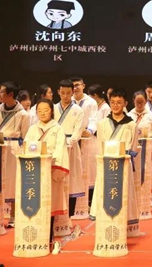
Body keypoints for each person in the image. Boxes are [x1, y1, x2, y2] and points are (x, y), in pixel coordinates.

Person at [90, 88, 141, 236]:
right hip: (106, 165)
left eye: (119, 103)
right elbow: (100, 146)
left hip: (123, 165)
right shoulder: (102, 123)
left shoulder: (131, 124)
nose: (115, 105)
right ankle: (105, 224)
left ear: (125, 104)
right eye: (113, 102)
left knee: (123, 195)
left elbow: (133, 147)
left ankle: (123, 227)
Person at [23, 98, 69, 255]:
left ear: (52, 111)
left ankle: (48, 238)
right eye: (39, 111)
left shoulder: (57, 129)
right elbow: (26, 147)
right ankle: (33, 237)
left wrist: (51, 165)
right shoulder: (32, 129)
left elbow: (60, 150)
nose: (42, 113)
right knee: (33, 203)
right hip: (33, 173)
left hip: (50, 172)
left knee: (49, 205)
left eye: (46, 110)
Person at [0, 81, 31, 227]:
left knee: (14, 182)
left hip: (14, 149)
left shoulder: (23, 114)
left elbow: (26, 136)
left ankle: (14, 215)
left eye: (2, 92)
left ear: (11, 94)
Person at [54, 79, 84, 234]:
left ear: (73, 92)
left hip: (71, 148)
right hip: (55, 148)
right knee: (56, 180)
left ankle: (70, 216)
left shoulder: (78, 110)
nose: (65, 96)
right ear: (58, 92)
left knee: (72, 181)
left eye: (68, 93)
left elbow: (78, 131)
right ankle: (55, 215)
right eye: (62, 93)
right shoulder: (53, 108)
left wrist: (68, 142)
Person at [128, 91, 152, 217]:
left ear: (145, 102)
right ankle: (134, 206)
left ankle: (144, 206)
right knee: (133, 177)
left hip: (147, 151)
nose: (139, 104)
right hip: (133, 152)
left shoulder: (151, 116)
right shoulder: (129, 116)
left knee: (145, 177)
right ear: (133, 101)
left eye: (142, 102)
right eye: (137, 102)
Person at [70, 77, 98, 207]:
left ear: (83, 86)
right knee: (74, 170)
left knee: (90, 171)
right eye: (73, 86)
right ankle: (73, 203)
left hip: (87, 139)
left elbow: (94, 119)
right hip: (72, 139)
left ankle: (89, 203)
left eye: (77, 85)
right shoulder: (69, 101)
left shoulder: (91, 102)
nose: (75, 88)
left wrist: (90, 130)